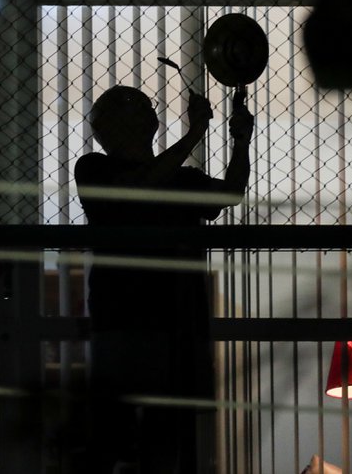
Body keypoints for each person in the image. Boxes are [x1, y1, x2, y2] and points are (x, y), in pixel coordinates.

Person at [74, 85, 253, 474]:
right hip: (131, 323)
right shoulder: (95, 169)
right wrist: (196, 134)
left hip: (167, 322)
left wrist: (241, 142)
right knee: (126, 439)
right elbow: (139, 189)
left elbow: (230, 195)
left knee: (163, 440)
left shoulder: (176, 178)